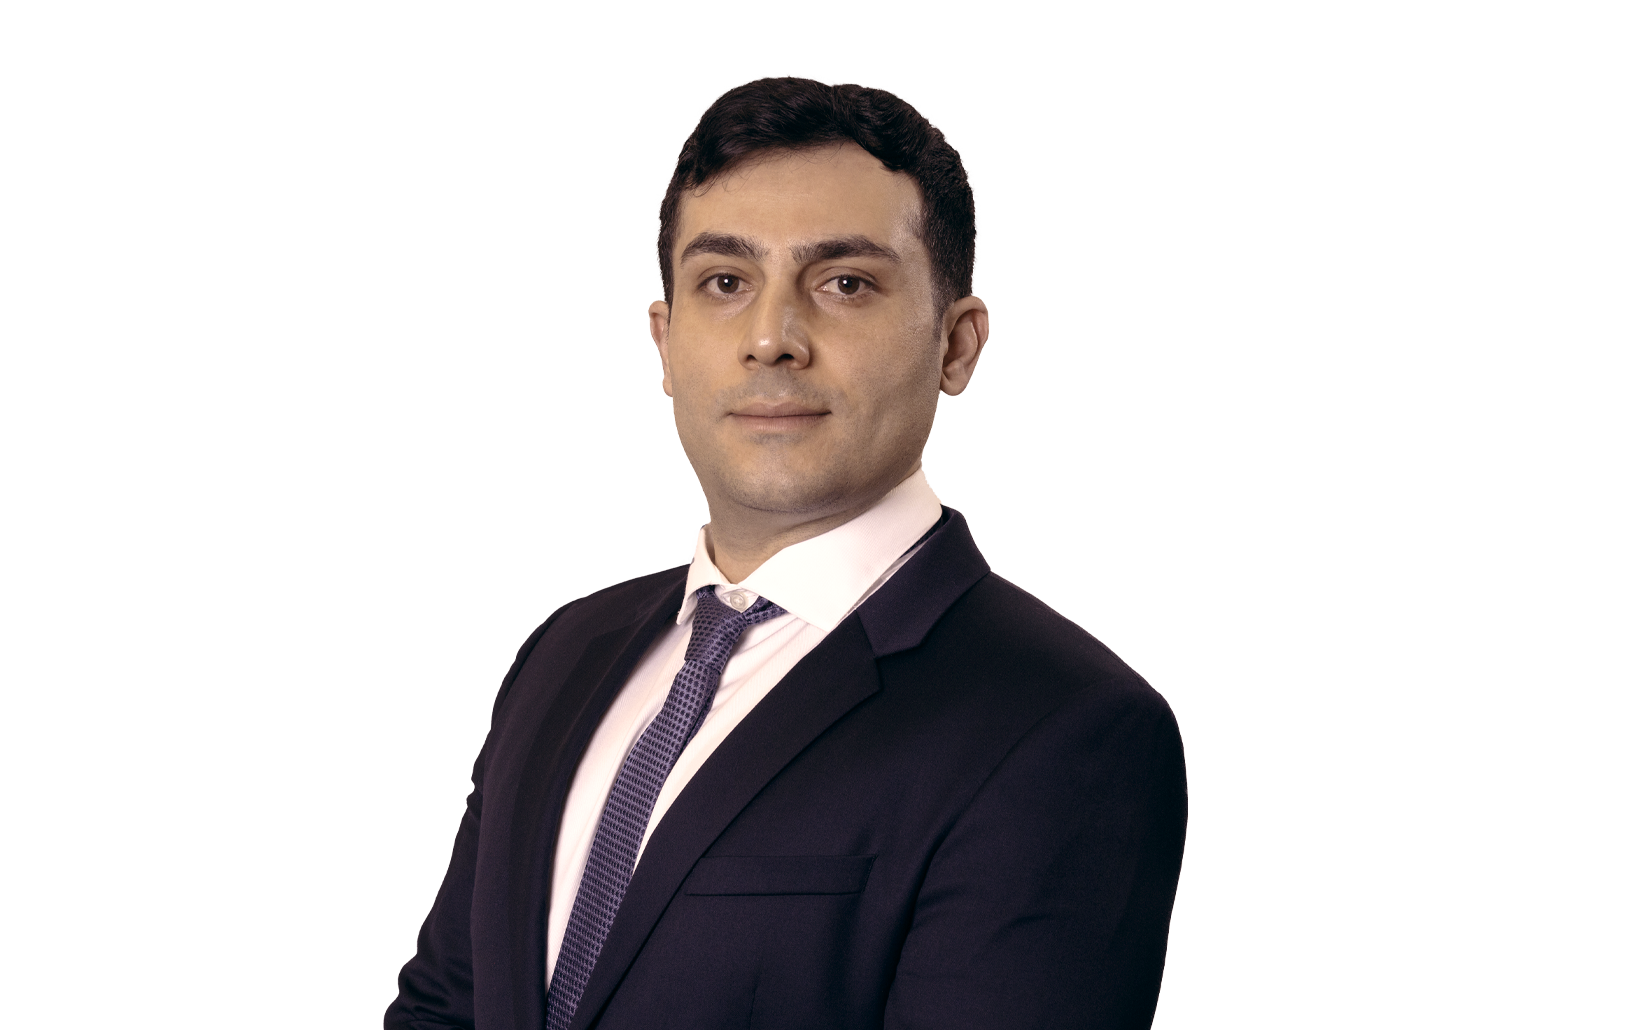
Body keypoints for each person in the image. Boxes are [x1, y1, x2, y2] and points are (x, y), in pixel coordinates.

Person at [385, 75, 1186, 1030]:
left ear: (957, 346)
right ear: (665, 340)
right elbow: (446, 1006)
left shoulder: (1067, 728)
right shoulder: (566, 652)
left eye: (845, 283)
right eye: (724, 283)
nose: (771, 338)